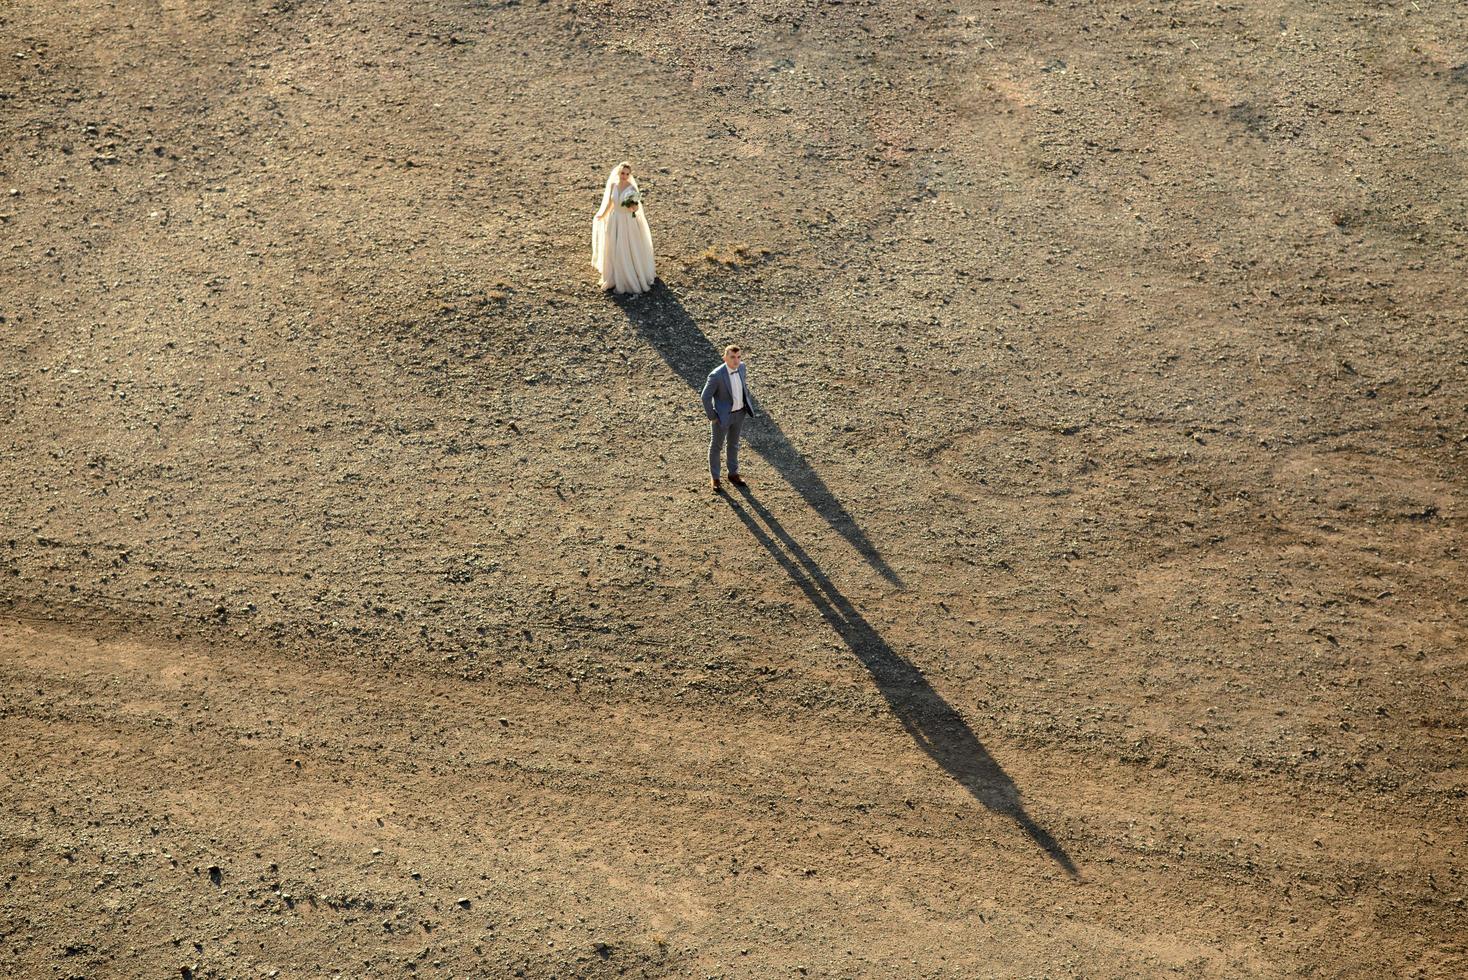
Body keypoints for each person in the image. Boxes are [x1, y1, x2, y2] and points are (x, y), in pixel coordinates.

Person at [590, 161, 656, 294]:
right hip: (614, 218)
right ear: (618, 173)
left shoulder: (632, 188)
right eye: (622, 173)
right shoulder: (613, 185)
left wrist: (632, 206)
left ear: (629, 175)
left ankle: (628, 273)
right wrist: (602, 215)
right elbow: (610, 203)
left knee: (625, 245)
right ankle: (613, 275)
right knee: (613, 243)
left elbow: (636, 207)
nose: (624, 176)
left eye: (627, 174)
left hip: (626, 220)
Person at [700, 344, 759, 493]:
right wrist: (713, 417)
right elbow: (705, 397)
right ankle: (715, 478)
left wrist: (746, 404)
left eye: (738, 357)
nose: (736, 360)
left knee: (733, 444)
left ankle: (733, 474)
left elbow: (743, 387)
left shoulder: (742, 367)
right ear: (725, 357)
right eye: (732, 357)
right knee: (716, 446)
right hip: (722, 417)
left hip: (739, 413)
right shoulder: (716, 375)